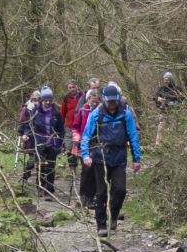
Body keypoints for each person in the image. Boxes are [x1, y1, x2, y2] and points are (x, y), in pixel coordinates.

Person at [81, 84, 141, 237]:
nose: (112, 103)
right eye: (109, 101)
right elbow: (86, 135)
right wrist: (85, 155)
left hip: (119, 156)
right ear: (104, 99)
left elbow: (133, 137)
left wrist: (136, 159)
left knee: (120, 189)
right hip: (101, 157)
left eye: (114, 101)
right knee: (101, 193)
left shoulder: (126, 114)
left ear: (118, 99)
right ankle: (101, 225)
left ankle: (113, 215)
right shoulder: (97, 114)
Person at [22, 85, 64, 199]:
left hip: (52, 142)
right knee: (40, 165)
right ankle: (40, 186)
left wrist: (60, 144)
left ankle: (49, 190)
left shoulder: (56, 112)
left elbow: (61, 129)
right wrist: (26, 134)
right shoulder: (36, 111)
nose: (48, 102)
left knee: (50, 165)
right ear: (42, 100)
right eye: (46, 100)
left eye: (50, 100)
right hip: (39, 141)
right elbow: (28, 125)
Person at [71, 88, 101, 208]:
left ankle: (91, 198)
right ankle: (83, 197)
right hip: (84, 146)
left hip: (97, 146)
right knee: (86, 172)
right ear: (88, 99)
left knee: (95, 172)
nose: (94, 104)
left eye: (96, 101)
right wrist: (77, 138)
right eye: (92, 101)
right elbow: (75, 127)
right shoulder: (83, 111)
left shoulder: (102, 112)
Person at [153, 71, 185, 145]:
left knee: (174, 128)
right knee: (160, 127)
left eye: (167, 80)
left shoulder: (177, 89)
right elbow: (155, 96)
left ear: (171, 80)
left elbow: (182, 99)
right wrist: (158, 98)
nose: (165, 82)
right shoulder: (161, 89)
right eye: (164, 80)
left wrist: (174, 103)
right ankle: (157, 144)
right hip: (163, 111)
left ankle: (174, 144)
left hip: (174, 112)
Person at [18, 90, 41, 181]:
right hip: (30, 136)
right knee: (33, 158)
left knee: (39, 158)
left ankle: (39, 180)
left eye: (38, 100)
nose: (36, 103)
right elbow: (22, 121)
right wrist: (23, 132)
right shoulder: (27, 109)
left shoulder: (43, 109)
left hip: (40, 136)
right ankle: (25, 176)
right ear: (31, 100)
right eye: (34, 100)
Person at [60, 80, 84, 161]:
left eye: (73, 87)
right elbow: (62, 113)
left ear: (77, 87)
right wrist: (61, 125)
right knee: (69, 147)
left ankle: (83, 166)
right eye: (70, 88)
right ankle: (72, 168)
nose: (71, 89)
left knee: (80, 145)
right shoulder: (66, 98)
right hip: (69, 126)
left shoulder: (83, 96)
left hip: (80, 126)